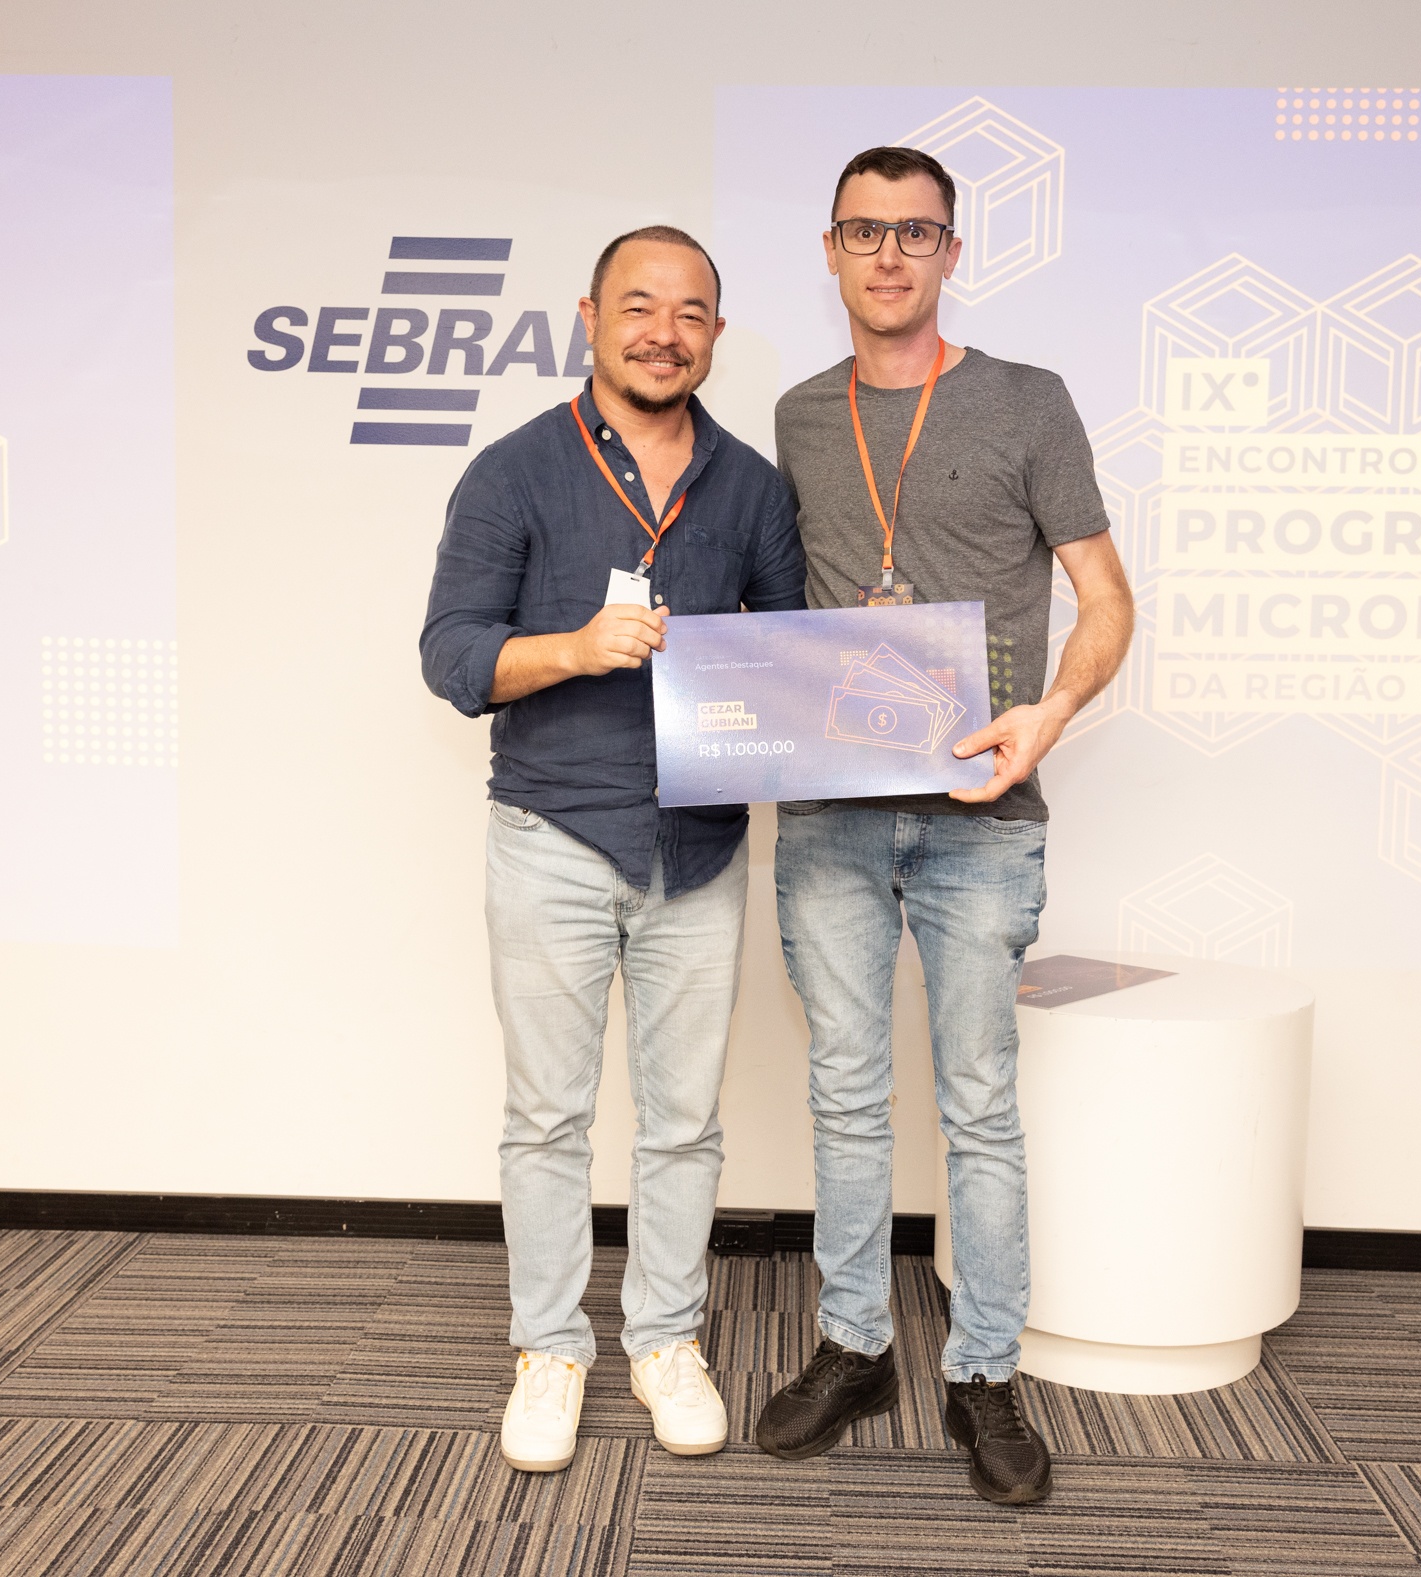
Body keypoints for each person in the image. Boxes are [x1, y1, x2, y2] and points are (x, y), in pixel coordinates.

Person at [752, 147, 1134, 1506]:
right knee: (845, 1095)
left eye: (915, 231)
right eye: (864, 230)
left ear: (952, 251)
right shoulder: (800, 416)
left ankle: (983, 1372)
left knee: (976, 1104)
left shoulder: (1027, 401)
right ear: (830, 248)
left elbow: (1106, 599)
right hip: (832, 820)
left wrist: (1050, 715)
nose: (889, 254)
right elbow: (779, 609)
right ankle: (855, 1345)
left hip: (983, 816)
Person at [420, 226, 806, 1473]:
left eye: (690, 312)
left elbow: (789, 665)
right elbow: (451, 655)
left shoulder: (749, 487)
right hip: (554, 838)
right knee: (546, 1117)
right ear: (589, 317)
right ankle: (549, 1347)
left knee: (683, 1121)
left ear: (716, 334)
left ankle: (663, 1339)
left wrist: (855, 671)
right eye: (639, 306)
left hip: (698, 849)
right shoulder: (514, 470)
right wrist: (575, 648)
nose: (663, 333)